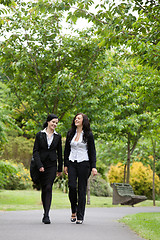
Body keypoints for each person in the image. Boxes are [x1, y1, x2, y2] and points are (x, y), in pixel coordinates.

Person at [64, 113, 97, 224]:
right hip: (72, 162)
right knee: (72, 186)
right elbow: (66, 150)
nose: (76, 120)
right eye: (75, 118)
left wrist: (93, 167)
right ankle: (74, 209)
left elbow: (92, 151)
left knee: (82, 189)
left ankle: (80, 215)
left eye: (79, 118)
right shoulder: (70, 133)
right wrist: (65, 164)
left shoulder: (88, 135)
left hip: (84, 163)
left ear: (84, 121)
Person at [33, 114, 63, 224]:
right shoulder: (39, 135)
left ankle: (46, 214)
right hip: (41, 164)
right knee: (44, 188)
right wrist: (39, 165)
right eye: (53, 122)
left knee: (49, 187)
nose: (54, 124)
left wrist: (60, 168)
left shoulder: (58, 136)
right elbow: (35, 151)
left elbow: (60, 153)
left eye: (56, 123)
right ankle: (45, 211)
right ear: (48, 122)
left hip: (52, 165)